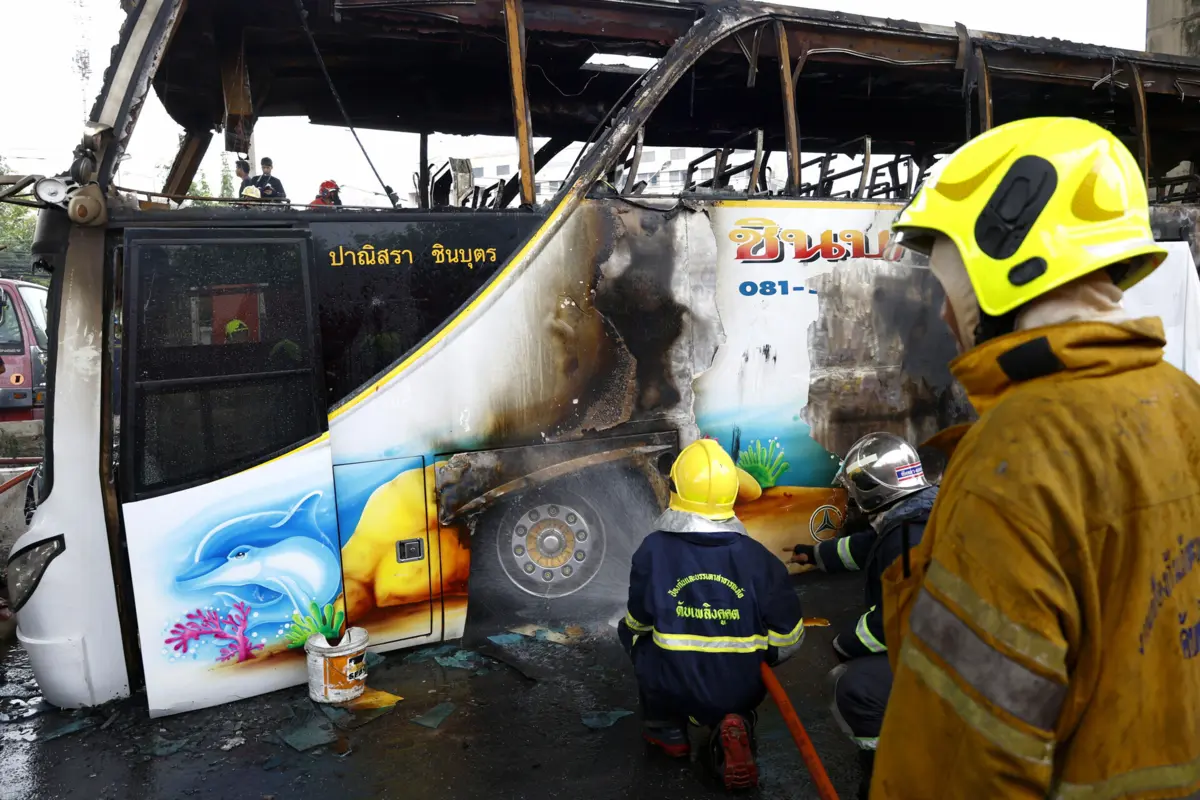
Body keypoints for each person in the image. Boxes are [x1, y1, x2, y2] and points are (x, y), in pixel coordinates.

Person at [872, 116, 1200, 798]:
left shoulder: (1018, 455)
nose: (942, 317)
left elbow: (961, 759)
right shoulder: (1186, 401)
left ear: (1005, 260)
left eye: (949, 287)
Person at [618, 439, 805, 791]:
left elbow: (639, 619)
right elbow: (789, 637)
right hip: (741, 686)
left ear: (675, 489)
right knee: (734, 682)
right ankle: (734, 722)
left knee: (634, 635)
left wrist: (634, 634)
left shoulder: (652, 550)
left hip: (673, 683)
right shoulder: (758, 558)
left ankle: (667, 730)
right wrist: (755, 659)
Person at [791, 432, 937, 800]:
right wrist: (817, 555)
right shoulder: (920, 513)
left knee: (852, 687)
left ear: (872, 489)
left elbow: (894, 621)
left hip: (955, 659)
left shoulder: (909, 540)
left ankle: (888, 771)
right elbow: (869, 547)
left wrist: (844, 642)